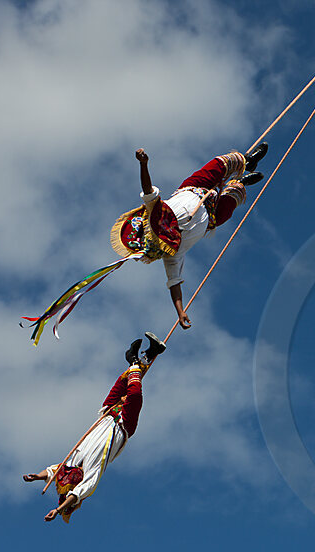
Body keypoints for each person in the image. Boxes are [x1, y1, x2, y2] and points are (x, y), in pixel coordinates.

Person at [110, 143, 269, 329]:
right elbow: (174, 283)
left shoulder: (156, 213)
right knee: (229, 204)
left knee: (218, 165)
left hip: (194, 188)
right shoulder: (172, 253)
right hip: (210, 217)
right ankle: (241, 182)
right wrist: (180, 311)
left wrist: (143, 164)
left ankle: (246, 162)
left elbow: (147, 190)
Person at [23, 333, 166, 522]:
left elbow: (54, 471)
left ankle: (149, 354)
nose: (67, 483)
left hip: (106, 415)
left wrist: (37, 476)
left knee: (122, 383)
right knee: (134, 394)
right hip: (121, 426)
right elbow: (78, 493)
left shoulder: (72, 463)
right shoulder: (90, 476)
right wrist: (59, 510)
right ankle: (133, 360)